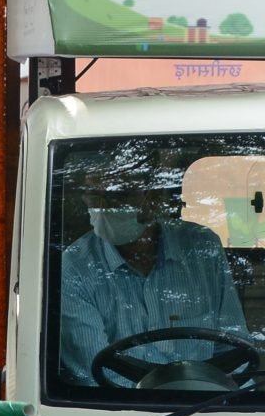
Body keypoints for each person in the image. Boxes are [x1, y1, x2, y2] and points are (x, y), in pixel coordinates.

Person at [58, 152, 248, 386]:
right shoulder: (74, 268)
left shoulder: (201, 248)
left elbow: (233, 346)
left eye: (119, 195)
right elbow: (95, 375)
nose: (103, 208)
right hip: (123, 415)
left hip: (206, 405)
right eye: (93, 197)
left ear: (153, 199)